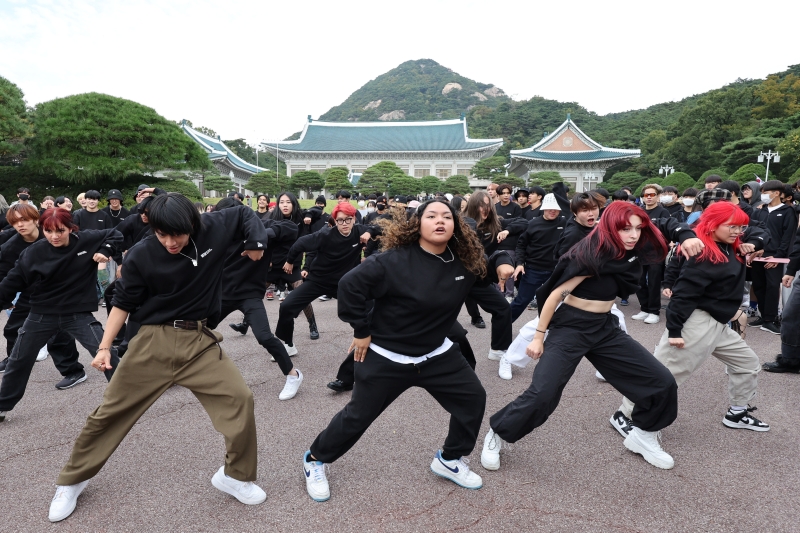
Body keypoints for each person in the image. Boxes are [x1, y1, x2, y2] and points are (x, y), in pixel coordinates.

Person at [47, 193, 269, 523]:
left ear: (193, 224)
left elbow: (243, 213)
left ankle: (235, 476)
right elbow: (122, 303)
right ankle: (72, 480)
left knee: (240, 398)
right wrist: (105, 347)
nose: (169, 242)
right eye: (161, 234)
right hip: (152, 340)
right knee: (111, 411)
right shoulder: (141, 256)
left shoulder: (213, 227)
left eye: (176, 235)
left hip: (199, 340)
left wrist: (257, 243)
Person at [480, 201, 704, 472]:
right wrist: (539, 336)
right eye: (625, 229)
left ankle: (643, 435)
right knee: (543, 394)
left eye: (637, 228)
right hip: (570, 327)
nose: (633, 235)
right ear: (610, 227)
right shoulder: (589, 252)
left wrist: (686, 234)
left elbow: (665, 224)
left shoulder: (635, 244)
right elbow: (555, 295)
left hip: (604, 327)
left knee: (662, 381)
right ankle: (499, 433)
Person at [302, 199, 488, 502]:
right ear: (417, 224)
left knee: (473, 399)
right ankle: (314, 460)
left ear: (455, 225)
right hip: (387, 356)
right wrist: (361, 331)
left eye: (446, 216)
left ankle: (450, 459)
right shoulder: (392, 261)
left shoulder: (464, 261)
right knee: (357, 417)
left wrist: (505, 260)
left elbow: (489, 272)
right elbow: (349, 286)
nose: (440, 221)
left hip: (436, 354)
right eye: (431, 216)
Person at [615, 202, 770, 440]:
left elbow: (763, 230)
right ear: (712, 225)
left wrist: (754, 243)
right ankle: (624, 414)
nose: (737, 231)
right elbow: (684, 296)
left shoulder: (732, 245)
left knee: (747, 364)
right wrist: (675, 330)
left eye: (741, 227)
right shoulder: (703, 254)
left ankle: (737, 413)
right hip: (695, 322)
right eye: (731, 226)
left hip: (719, 323)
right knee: (666, 375)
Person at [0, 208, 122, 423]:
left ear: (71, 228)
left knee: (106, 353)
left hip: (77, 313)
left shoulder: (85, 240)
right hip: (41, 314)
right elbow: (12, 281)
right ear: (43, 229)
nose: (54, 236)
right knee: (18, 360)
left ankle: (129, 398)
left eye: (60, 231)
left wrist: (106, 249)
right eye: (48, 231)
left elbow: (116, 232)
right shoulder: (33, 252)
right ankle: (2, 406)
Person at [215, 197, 303, 400]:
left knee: (264, 337)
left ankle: (293, 375)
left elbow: (291, 229)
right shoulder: (217, 233)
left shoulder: (261, 226)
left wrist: (259, 239)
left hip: (250, 295)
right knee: (198, 332)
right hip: (223, 294)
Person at [0, 204, 84, 389]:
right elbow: (4, 275)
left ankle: (73, 371)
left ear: (35, 220)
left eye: (24, 220)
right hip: (29, 292)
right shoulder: (9, 247)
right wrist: (6, 300)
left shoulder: (52, 232)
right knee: (13, 329)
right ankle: (13, 360)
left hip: (57, 291)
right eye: (15, 222)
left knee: (57, 334)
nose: (20, 225)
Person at [273, 202, 375, 353]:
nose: (345, 223)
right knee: (286, 306)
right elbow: (300, 243)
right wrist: (289, 261)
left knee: (372, 306)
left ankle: (373, 343)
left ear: (354, 219)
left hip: (344, 284)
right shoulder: (325, 235)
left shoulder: (360, 231)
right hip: (318, 281)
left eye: (348, 219)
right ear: (335, 220)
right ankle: (287, 344)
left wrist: (370, 231)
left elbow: (382, 228)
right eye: (340, 220)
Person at [749, 180, 797, 334]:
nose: (763, 196)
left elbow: (787, 236)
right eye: (762, 192)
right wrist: (754, 249)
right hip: (758, 254)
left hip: (775, 256)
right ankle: (763, 316)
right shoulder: (759, 211)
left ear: (777, 193)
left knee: (772, 286)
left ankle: (770, 319)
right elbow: (753, 231)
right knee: (758, 286)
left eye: (765, 192)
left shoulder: (787, 211)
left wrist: (778, 257)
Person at [509, 193, 566, 323]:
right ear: (544, 208)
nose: (553, 211)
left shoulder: (565, 222)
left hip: (556, 271)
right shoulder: (532, 224)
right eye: (550, 208)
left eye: (555, 209)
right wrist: (519, 263)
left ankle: (549, 329)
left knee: (554, 302)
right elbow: (521, 245)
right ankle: (503, 324)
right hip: (533, 269)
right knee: (522, 300)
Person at [632, 184, 671, 325]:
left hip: (656, 252)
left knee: (654, 282)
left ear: (658, 196)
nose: (648, 197)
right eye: (646, 195)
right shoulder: (639, 211)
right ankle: (644, 308)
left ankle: (654, 311)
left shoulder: (663, 212)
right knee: (639, 281)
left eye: (652, 194)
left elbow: (666, 231)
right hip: (639, 251)